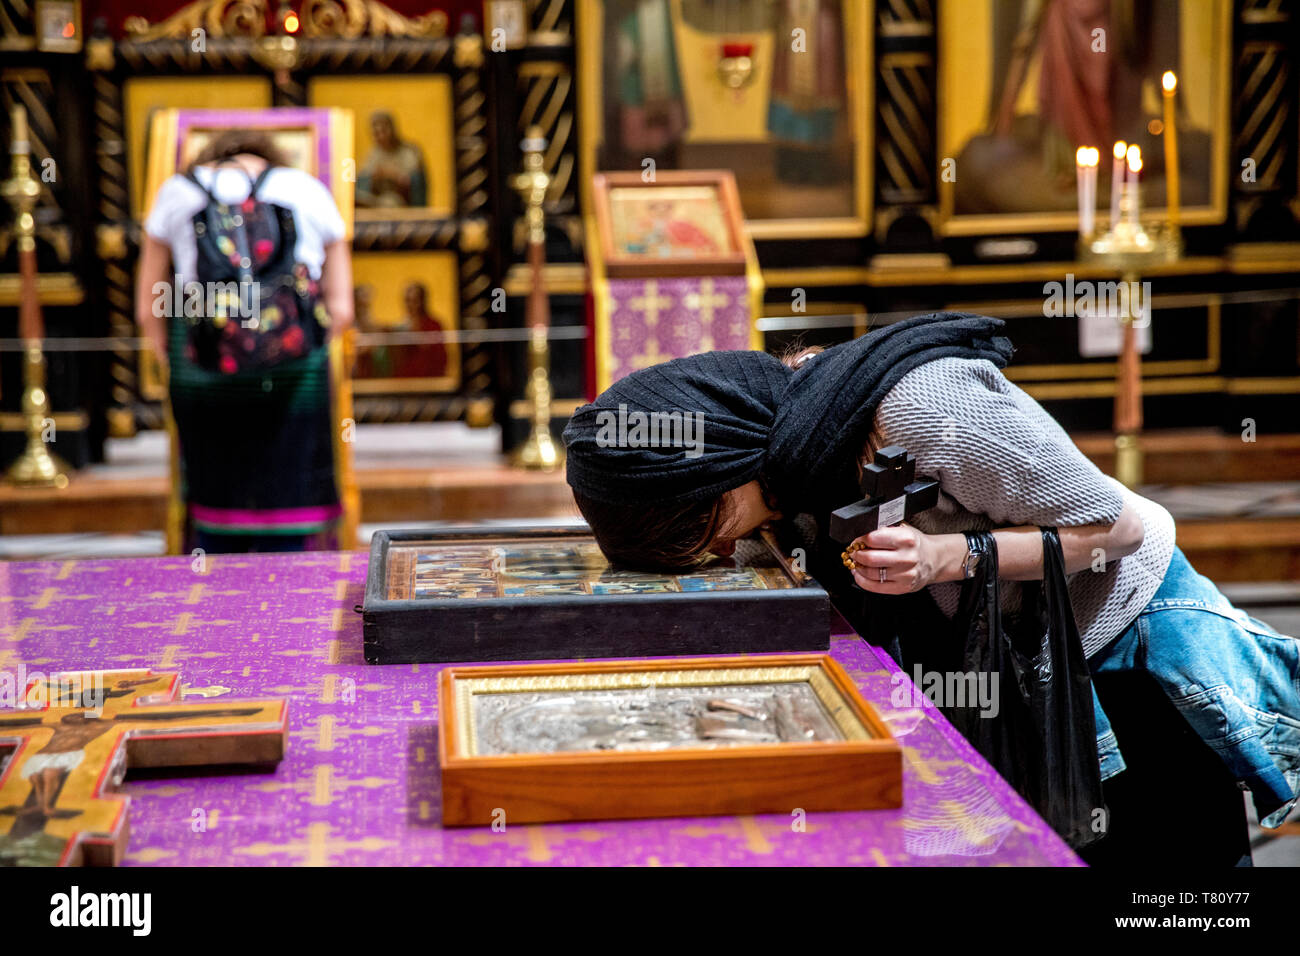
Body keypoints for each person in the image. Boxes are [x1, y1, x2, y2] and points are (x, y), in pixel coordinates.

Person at [562, 311, 1300, 862]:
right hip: (1013, 659)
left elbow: (1115, 527)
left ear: (716, 465)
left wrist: (949, 557)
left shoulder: (924, 406)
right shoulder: (794, 447)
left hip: (1124, 642)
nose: (722, 548)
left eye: (709, 528)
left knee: (1169, 873)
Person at [135, 129, 354, 553]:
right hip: (295, 371)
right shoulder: (306, 189)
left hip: (205, 368)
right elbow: (341, 310)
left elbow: (150, 309)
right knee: (291, 495)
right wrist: (301, 346)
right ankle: (292, 590)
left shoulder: (177, 191)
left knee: (217, 495)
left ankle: (218, 584)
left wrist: (173, 359)